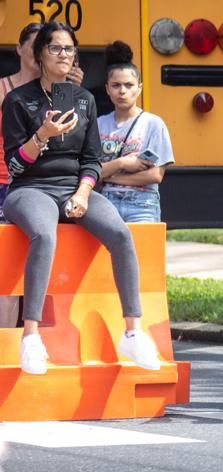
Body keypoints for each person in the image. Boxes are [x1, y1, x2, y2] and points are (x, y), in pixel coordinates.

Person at [2, 22, 160, 375]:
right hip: (30, 188)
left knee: (120, 234)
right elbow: (13, 166)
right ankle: (31, 338)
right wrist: (41, 135)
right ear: (40, 54)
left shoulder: (85, 100)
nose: (63, 56)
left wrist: (83, 192)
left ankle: (133, 332)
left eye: (69, 49)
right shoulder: (18, 100)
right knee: (44, 234)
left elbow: (91, 161)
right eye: (55, 49)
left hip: (74, 186)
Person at [97, 41, 174, 223]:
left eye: (129, 85)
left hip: (143, 204)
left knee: (143, 252)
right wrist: (123, 162)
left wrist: (111, 176)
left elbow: (155, 176)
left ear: (139, 88)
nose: (122, 91)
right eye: (116, 85)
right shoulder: (99, 124)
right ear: (107, 89)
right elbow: (92, 172)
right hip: (105, 203)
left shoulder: (153, 124)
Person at [0, 23, 44, 224]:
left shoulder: (60, 91)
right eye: (36, 44)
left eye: (45, 45)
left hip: (41, 184)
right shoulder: (1, 88)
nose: (40, 51)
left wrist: (73, 91)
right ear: (19, 49)